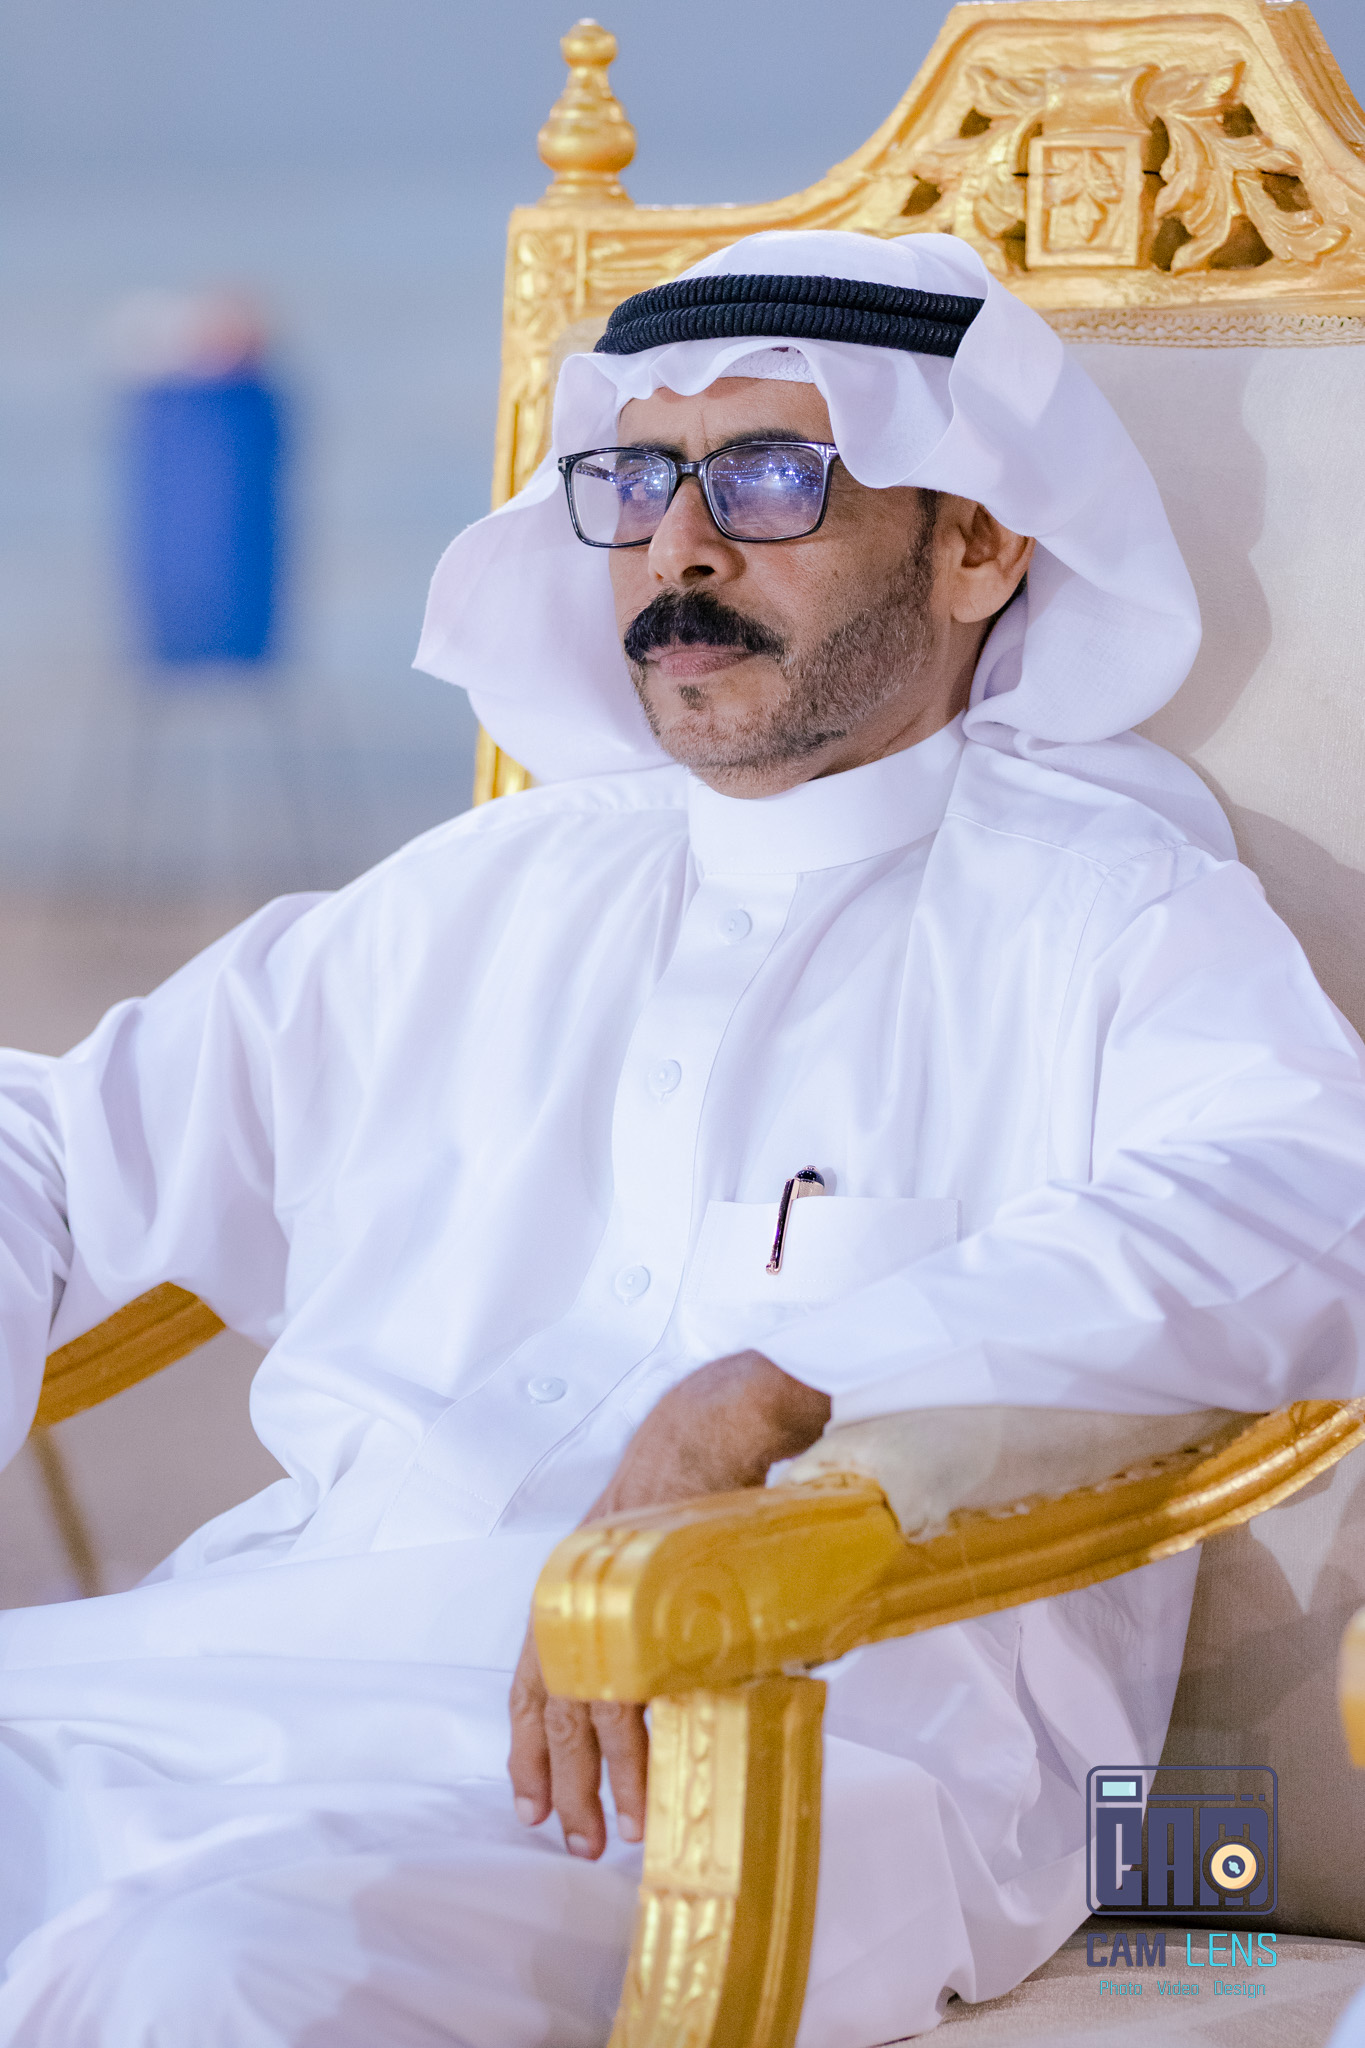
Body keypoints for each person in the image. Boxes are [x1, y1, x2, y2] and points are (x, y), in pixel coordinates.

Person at [0, 229, 1362, 2046]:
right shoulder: (486, 893)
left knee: (214, 1973)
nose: (679, 552)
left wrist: (781, 1389)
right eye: (641, 482)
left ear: (976, 541)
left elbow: (1301, 1196)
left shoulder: (1106, 910)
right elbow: (51, 1145)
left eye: (771, 479)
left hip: (775, 1744)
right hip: (241, 1668)